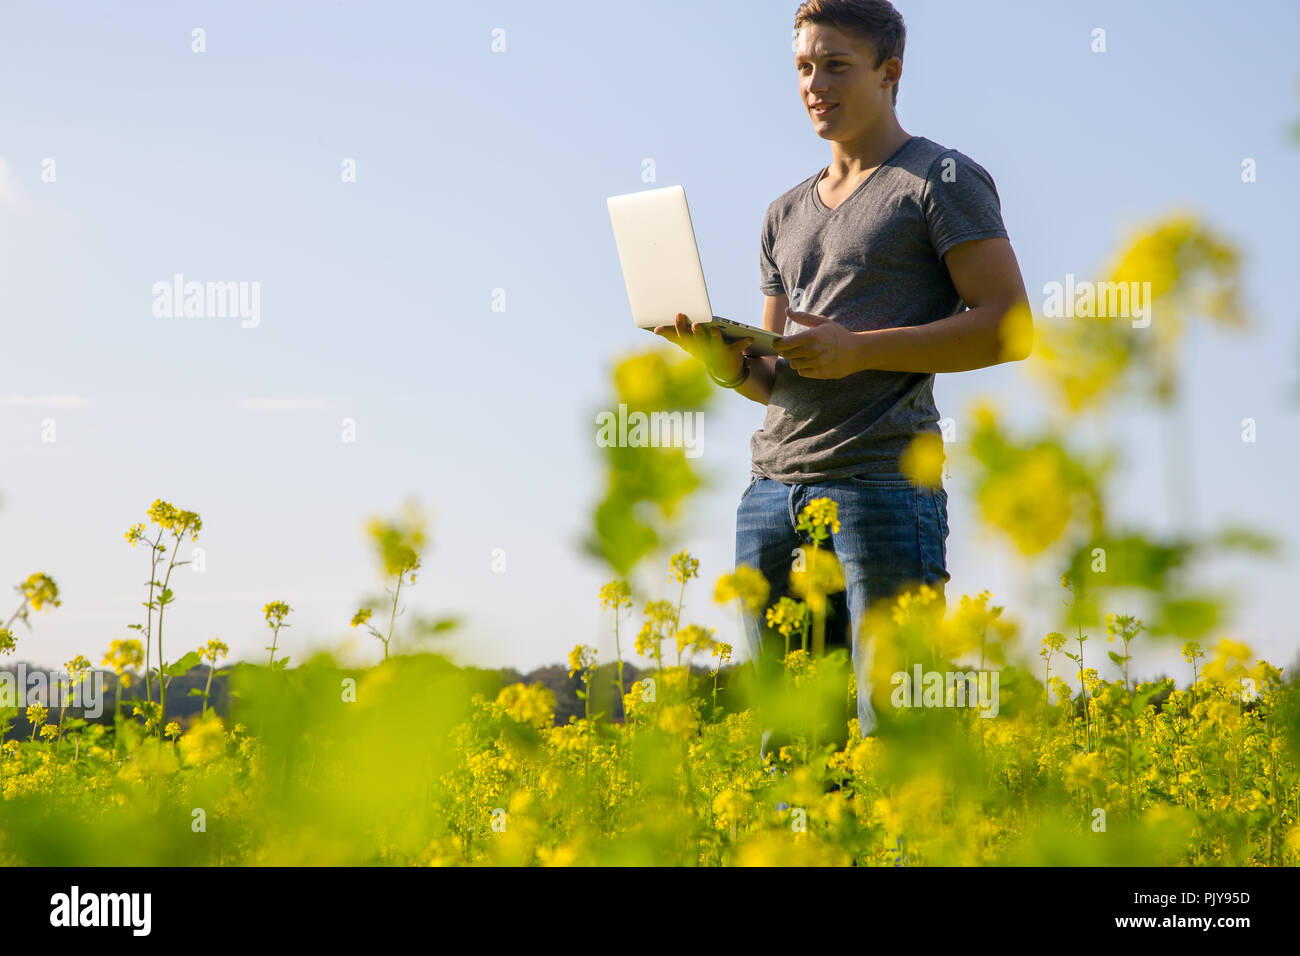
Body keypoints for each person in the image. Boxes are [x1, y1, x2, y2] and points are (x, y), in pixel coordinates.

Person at [654, 0, 1031, 745]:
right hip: (770, 496)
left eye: (835, 65)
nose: (814, 84)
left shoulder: (939, 178)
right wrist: (721, 364)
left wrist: (861, 349)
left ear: (890, 73)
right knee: (791, 744)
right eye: (803, 66)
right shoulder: (782, 213)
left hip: (882, 490)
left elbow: (1008, 327)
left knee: (895, 737)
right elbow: (773, 374)